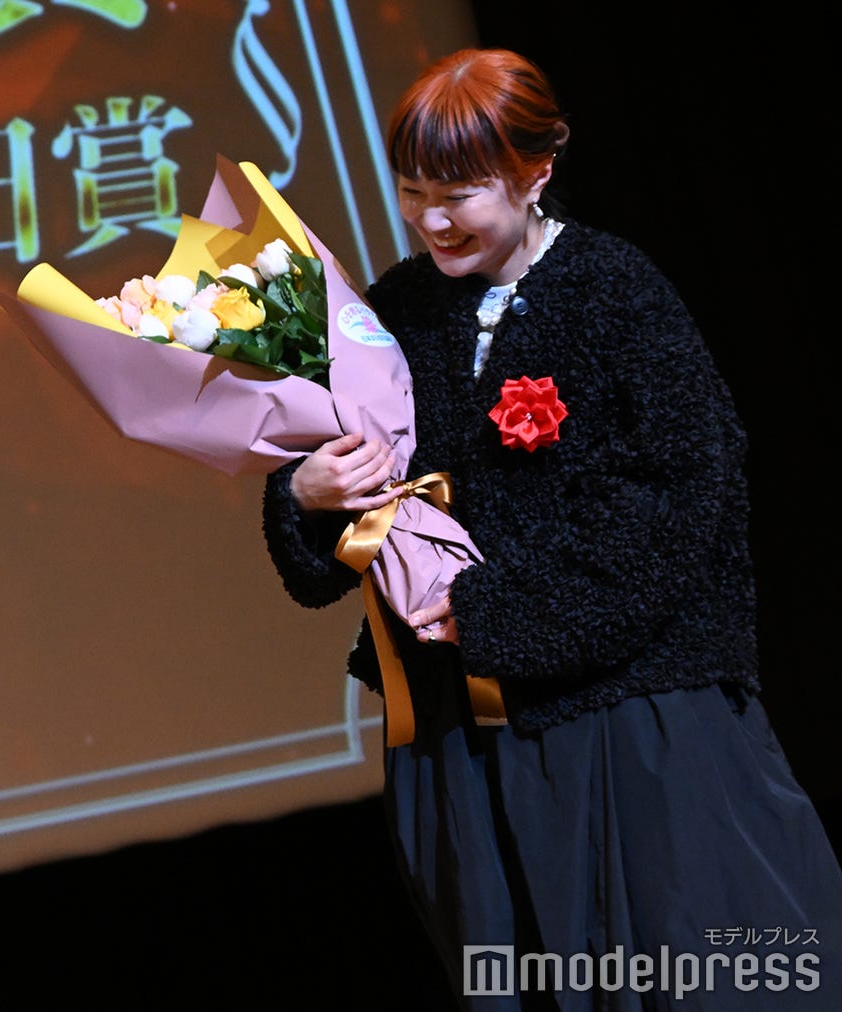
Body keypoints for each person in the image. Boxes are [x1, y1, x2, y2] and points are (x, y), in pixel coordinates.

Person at [261, 49, 842, 1009]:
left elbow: (681, 498)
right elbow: (348, 516)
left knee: (711, 980)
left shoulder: (615, 289)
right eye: (413, 193)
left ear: (536, 171)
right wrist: (307, 497)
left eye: (459, 194)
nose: (432, 220)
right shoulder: (391, 310)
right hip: (462, 736)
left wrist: (496, 610)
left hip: (631, 719)